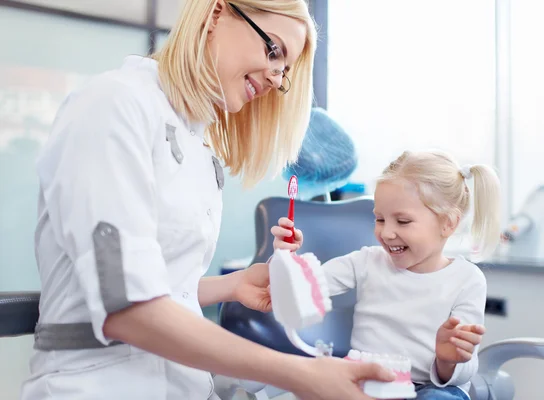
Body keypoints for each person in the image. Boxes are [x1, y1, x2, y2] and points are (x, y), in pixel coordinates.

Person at [20, 1, 397, 399]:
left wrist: (232, 285)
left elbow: (159, 282)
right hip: (97, 385)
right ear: (217, 13)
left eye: (284, 72)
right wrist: (301, 374)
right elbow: (128, 308)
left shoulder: (198, 144)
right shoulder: (114, 104)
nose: (274, 78)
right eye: (274, 52)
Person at [272, 150, 502, 399]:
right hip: (365, 382)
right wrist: (285, 257)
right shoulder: (366, 261)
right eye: (379, 219)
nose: (387, 233)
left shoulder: (467, 280)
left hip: (430, 388)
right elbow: (300, 286)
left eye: (402, 221)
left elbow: (463, 372)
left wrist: (447, 360)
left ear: (448, 223)